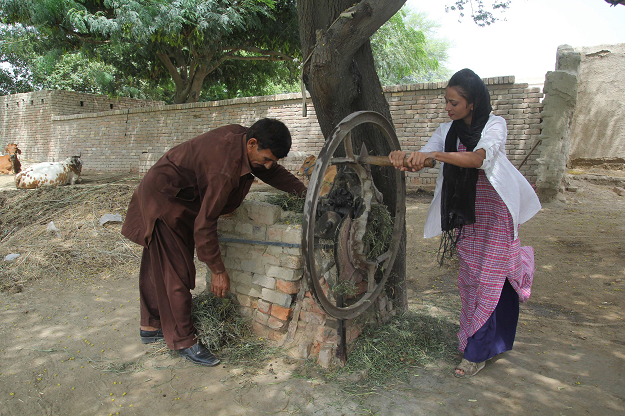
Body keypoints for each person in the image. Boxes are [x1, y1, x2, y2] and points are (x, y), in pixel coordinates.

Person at [389, 69, 541, 378]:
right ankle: (485, 340)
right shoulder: (447, 130)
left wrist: (432, 155)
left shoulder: (495, 125)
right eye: (446, 101)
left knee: (488, 278)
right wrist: (406, 158)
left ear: (471, 103)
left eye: (453, 102)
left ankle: (476, 353)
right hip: (465, 213)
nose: (448, 108)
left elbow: (478, 159)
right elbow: (428, 158)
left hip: (497, 212)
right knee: (472, 279)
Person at [121, 118, 307, 366]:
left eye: (273, 160)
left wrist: (307, 192)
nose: (269, 165)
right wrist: (217, 269)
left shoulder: (244, 142)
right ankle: (184, 340)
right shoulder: (224, 167)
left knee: (158, 263)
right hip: (165, 201)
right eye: (266, 159)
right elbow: (205, 223)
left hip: (175, 196)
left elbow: (273, 173)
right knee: (176, 271)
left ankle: (151, 326)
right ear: (252, 143)